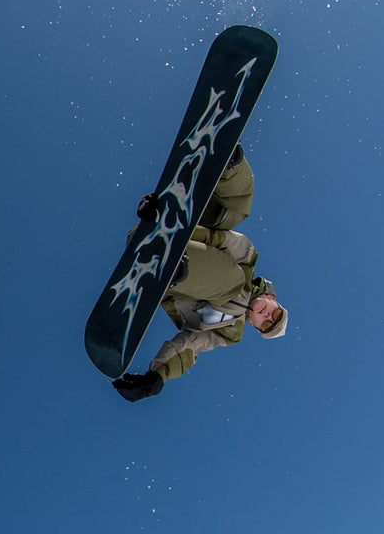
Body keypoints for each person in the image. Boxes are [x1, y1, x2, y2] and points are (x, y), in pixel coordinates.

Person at [113, 146, 287, 402]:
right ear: (272, 299)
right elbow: (217, 238)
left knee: (234, 291)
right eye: (275, 313)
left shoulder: (229, 330)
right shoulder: (248, 257)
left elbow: (191, 346)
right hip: (181, 229)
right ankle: (229, 160)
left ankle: (170, 265)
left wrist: (158, 377)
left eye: (266, 324)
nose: (267, 316)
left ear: (254, 326)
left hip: (165, 275)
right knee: (236, 212)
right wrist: (165, 222)